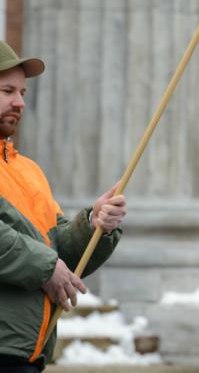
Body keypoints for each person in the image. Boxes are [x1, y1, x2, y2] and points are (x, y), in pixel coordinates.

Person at [0, 41, 126, 372]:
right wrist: (45, 267)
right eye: (7, 90)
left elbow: (62, 254)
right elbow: (47, 263)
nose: (19, 102)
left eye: (22, 93)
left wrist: (96, 224)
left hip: (28, 355)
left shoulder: (29, 170)